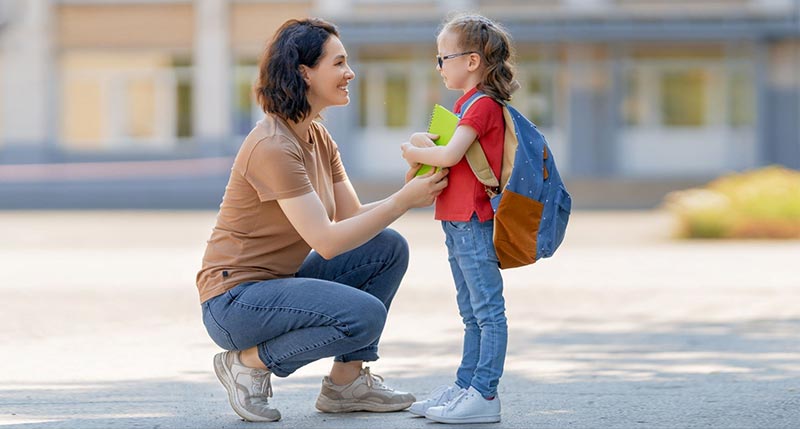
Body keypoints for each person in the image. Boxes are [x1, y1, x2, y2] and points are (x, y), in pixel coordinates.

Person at [196, 17, 448, 422]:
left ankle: (346, 384)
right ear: (304, 72)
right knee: (364, 316)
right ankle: (247, 363)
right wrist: (401, 201)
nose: (350, 73)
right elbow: (328, 242)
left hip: (278, 287)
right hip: (235, 304)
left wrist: (408, 193)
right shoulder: (273, 145)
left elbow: (351, 219)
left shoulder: (317, 136)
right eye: (339, 63)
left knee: (386, 246)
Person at [399, 13, 517, 424]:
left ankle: (484, 395)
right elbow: (451, 155)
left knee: (487, 312)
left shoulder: (482, 104)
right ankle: (466, 385)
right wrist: (421, 144)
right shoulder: (465, 104)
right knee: (471, 312)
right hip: (455, 219)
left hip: (473, 219)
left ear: (471, 61)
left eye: (442, 58)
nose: (439, 66)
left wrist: (413, 153)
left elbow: (449, 156)